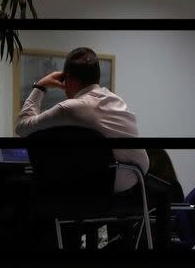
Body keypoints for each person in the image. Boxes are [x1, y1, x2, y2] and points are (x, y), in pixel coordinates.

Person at [15, 47, 149, 193]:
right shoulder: (117, 101)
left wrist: (40, 86)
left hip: (107, 183)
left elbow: (22, 126)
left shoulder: (71, 108)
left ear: (69, 80)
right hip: (138, 177)